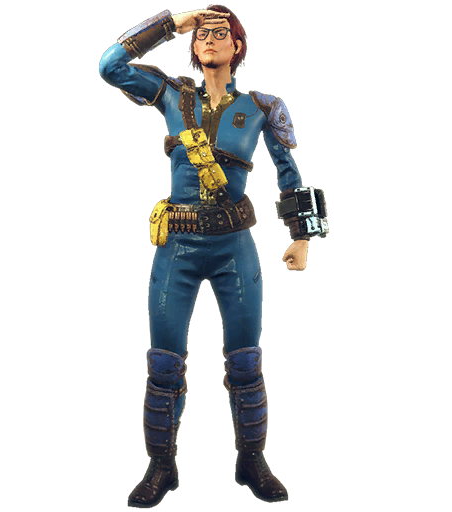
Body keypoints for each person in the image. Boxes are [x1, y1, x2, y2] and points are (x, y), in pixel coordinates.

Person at [99, 5, 328, 508]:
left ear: (237, 46)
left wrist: (303, 235)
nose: (208, 39)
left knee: (246, 361)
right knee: (163, 365)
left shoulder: (263, 106)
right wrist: (172, 23)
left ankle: (252, 461)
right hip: (176, 248)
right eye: (201, 34)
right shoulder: (171, 94)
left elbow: (288, 170)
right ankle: (161, 467)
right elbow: (110, 66)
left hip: (235, 247)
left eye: (220, 33)